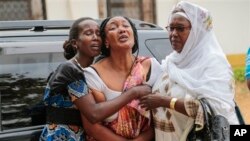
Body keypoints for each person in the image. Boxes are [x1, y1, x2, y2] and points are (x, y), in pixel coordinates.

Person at [139, 1, 239, 141]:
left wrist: (165, 101)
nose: (173, 34)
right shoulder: (170, 62)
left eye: (180, 28)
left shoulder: (213, 64)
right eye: (171, 28)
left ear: (196, 32)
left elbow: (214, 111)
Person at [40, 17, 152, 141]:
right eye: (88, 33)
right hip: (61, 136)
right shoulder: (69, 69)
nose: (95, 38)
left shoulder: (90, 71)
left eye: (98, 34)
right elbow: (94, 114)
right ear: (74, 43)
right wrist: (134, 92)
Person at [83, 16, 162, 140]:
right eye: (113, 28)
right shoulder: (93, 74)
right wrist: (134, 92)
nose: (122, 30)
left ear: (134, 37)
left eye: (125, 26)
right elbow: (92, 127)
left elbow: (160, 116)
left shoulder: (151, 66)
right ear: (106, 41)